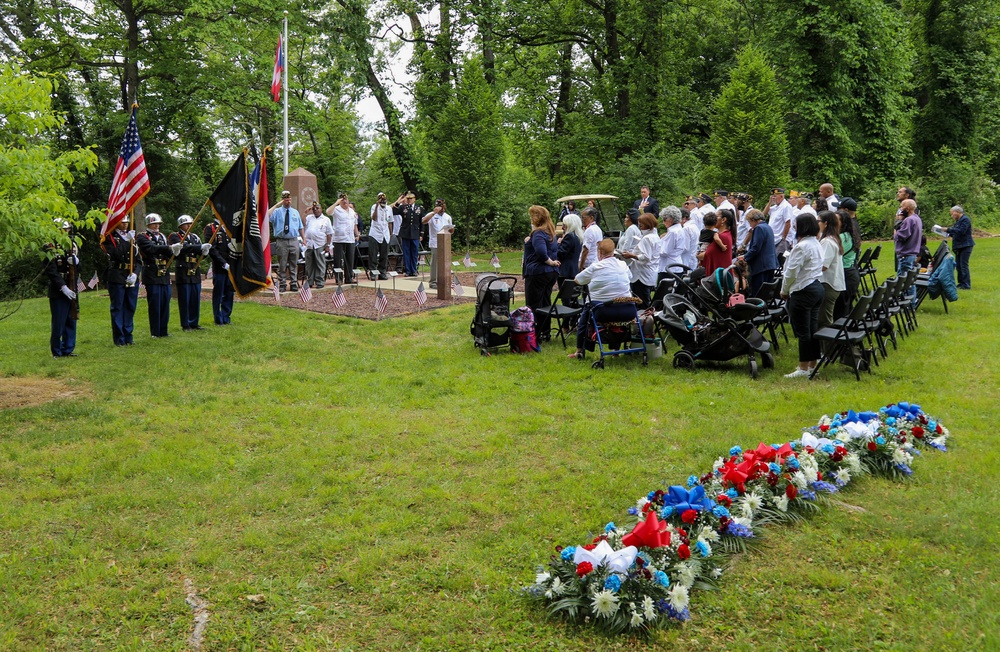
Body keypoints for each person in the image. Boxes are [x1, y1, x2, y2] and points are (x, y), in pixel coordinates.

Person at [568, 238, 633, 360]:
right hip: (627, 309)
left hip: (603, 311)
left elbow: (577, 280)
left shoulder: (595, 267)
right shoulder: (623, 265)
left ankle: (579, 351)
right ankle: (615, 350)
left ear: (599, 253)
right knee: (608, 308)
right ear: (613, 252)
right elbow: (630, 277)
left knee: (584, 318)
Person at [780, 214, 825, 378]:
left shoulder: (802, 246)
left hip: (803, 289)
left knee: (803, 331)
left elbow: (791, 272)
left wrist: (784, 290)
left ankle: (803, 367)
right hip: (816, 286)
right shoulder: (816, 243)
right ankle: (813, 364)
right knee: (812, 328)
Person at [522, 205, 561, 341]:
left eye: (532, 215)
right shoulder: (550, 232)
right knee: (545, 302)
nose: (531, 218)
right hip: (550, 274)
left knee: (533, 304)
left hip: (538, 272)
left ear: (537, 217)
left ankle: (534, 334)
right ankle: (545, 332)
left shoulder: (539, 233)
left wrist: (550, 262)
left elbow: (541, 252)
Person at [101, 215, 140, 345]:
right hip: (117, 275)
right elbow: (116, 255)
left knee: (130, 306)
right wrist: (126, 241)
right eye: (122, 222)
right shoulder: (109, 237)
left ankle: (128, 335)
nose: (125, 224)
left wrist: (135, 273)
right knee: (118, 307)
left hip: (131, 276)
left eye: (127, 222)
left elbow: (138, 260)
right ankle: (119, 338)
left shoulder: (131, 236)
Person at [168, 214, 211, 331]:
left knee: (195, 297)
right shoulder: (175, 236)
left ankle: (194, 322)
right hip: (183, 268)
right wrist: (200, 247)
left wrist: (205, 252)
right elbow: (184, 248)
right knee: (185, 298)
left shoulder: (195, 237)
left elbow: (199, 253)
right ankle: (185, 324)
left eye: (190, 224)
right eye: (187, 224)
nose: (189, 226)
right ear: (181, 225)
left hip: (194, 268)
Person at [45, 219, 79, 357]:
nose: (66, 232)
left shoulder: (73, 244)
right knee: (59, 321)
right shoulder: (50, 246)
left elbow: (79, 268)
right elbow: (51, 270)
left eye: (67, 229)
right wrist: (63, 287)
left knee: (71, 319)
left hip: (72, 284)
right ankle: (56, 351)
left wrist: (76, 262)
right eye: (62, 229)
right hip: (58, 288)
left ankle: (68, 348)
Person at [136, 212, 173, 338]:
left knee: (165, 303)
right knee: (155, 304)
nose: (156, 225)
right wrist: (169, 248)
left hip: (164, 273)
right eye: (154, 223)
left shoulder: (162, 236)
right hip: (152, 273)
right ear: (148, 224)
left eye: (158, 223)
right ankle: (155, 332)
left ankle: (164, 331)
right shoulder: (142, 237)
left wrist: (175, 252)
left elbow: (167, 254)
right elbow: (151, 249)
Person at [620, 213, 659, 307]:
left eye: (641, 225)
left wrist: (631, 255)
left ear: (648, 225)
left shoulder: (647, 238)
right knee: (645, 299)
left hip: (641, 275)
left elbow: (646, 257)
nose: (640, 227)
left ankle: (644, 320)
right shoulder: (655, 236)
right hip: (650, 273)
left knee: (641, 302)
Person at [268, 190, 304, 292]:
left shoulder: (295, 212)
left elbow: (300, 227)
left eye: (289, 200)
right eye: (286, 200)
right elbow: (267, 215)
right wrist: (277, 204)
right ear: (283, 200)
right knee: (282, 264)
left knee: (293, 263)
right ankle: (282, 284)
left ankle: (293, 283)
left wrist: (304, 239)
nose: (288, 201)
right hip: (282, 241)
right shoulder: (277, 211)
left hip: (293, 240)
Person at [737, 209, 777, 297]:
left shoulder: (759, 228)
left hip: (761, 266)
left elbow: (756, 248)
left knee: (758, 292)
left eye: (749, 222)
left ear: (753, 220)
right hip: (770, 264)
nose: (750, 225)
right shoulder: (767, 227)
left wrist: (745, 257)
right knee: (765, 292)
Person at [203, 216, 234, 325]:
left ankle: (226, 317)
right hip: (219, 267)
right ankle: (218, 318)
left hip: (231, 266)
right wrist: (223, 263)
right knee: (219, 293)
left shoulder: (229, 227)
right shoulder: (211, 228)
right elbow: (212, 248)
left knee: (229, 293)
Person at [834, 200, 862, 319]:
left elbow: (834, 256)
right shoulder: (851, 233)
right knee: (845, 308)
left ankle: (840, 334)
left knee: (841, 311)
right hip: (851, 271)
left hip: (846, 274)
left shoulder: (843, 237)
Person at [817, 211, 845, 328]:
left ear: (826, 223)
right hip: (832, 283)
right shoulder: (833, 238)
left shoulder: (827, 241)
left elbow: (823, 266)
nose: (817, 223)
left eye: (818, 221)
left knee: (824, 321)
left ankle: (829, 346)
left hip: (828, 284)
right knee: (824, 319)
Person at [894, 198, 922, 307]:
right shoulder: (917, 218)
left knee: (905, 281)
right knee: (909, 280)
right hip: (912, 253)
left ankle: (909, 305)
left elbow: (901, 236)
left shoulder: (909, 220)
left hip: (906, 254)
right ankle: (910, 303)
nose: (900, 209)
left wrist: (896, 227)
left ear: (908, 208)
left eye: (902, 207)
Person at [423, 198, 454, 289]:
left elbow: (451, 230)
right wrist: (434, 213)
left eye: (443, 206)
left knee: (445, 261)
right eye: (440, 206)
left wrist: (452, 229)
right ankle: (433, 281)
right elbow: (424, 221)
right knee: (435, 262)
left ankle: (443, 280)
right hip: (435, 242)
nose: (442, 208)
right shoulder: (431, 215)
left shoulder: (447, 217)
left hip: (445, 241)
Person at [328, 193, 360, 283]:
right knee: (338, 260)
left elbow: (354, 225)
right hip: (339, 239)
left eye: (346, 199)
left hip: (350, 239)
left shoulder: (352, 212)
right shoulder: (336, 209)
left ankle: (349, 278)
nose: (345, 201)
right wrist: (336, 203)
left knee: (350, 259)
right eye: (342, 200)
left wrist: (357, 234)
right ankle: (338, 278)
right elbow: (328, 212)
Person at [303, 201, 333, 289]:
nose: (316, 210)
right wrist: (305, 212)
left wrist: (328, 245)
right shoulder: (309, 217)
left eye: (317, 208)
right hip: (309, 244)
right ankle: (310, 281)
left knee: (320, 263)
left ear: (321, 209)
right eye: (314, 209)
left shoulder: (326, 219)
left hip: (320, 244)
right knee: (309, 264)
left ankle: (320, 281)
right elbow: (303, 222)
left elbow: (329, 234)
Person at [392, 191, 421, 276]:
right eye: (407, 198)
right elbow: (393, 211)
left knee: (414, 253)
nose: (409, 200)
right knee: (406, 252)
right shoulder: (403, 208)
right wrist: (399, 201)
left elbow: (421, 222)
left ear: (414, 199)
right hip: (405, 232)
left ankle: (414, 270)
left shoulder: (419, 208)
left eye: (410, 199)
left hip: (415, 233)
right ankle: (408, 270)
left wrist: (421, 234)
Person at [946, 205, 974, 289]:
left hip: (965, 245)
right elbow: (956, 232)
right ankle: (961, 283)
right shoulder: (958, 221)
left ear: (957, 212)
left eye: (952, 214)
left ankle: (966, 284)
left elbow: (961, 231)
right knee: (958, 265)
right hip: (959, 245)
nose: (952, 216)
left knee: (963, 265)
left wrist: (948, 229)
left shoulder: (965, 220)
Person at [700, 209, 734, 276]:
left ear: (723, 220)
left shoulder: (722, 236)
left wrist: (698, 255)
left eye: (716, 216)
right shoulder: (726, 234)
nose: (714, 219)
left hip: (719, 277)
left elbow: (705, 255)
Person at [764, 187, 795, 258]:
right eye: (772, 196)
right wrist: (769, 203)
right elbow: (764, 214)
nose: (773, 198)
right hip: (773, 238)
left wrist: (783, 238)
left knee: (777, 261)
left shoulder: (786, 206)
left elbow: (788, 223)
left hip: (781, 240)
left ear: (781, 196)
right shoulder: (775, 207)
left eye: (775, 196)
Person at [368, 192, 393, 280]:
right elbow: (374, 218)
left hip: (385, 234)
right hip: (375, 233)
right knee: (373, 255)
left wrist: (390, 233)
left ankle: (382, 272)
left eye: (384, 200)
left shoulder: (389, 208)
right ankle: (373, 273)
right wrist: (377, 206)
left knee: (384, 255)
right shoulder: (374, 207)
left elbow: (390, 221)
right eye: (381, 200)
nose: (383, 201)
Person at [657, 205, 686, 275]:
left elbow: (664, 252)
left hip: (669, 267)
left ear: (671, 219)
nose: (663, 222)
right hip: (675, 265)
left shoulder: (673, 232)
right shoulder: (679, 229)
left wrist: (654, 248)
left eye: (664, 219)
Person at [557, 214, 583, 281]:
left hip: (565, 271)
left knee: (564, 291)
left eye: (564, 225)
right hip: (573, 270)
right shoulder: (579, 237)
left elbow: (560, 253)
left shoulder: (569, 236)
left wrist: (558, 244)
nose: (563, 228)